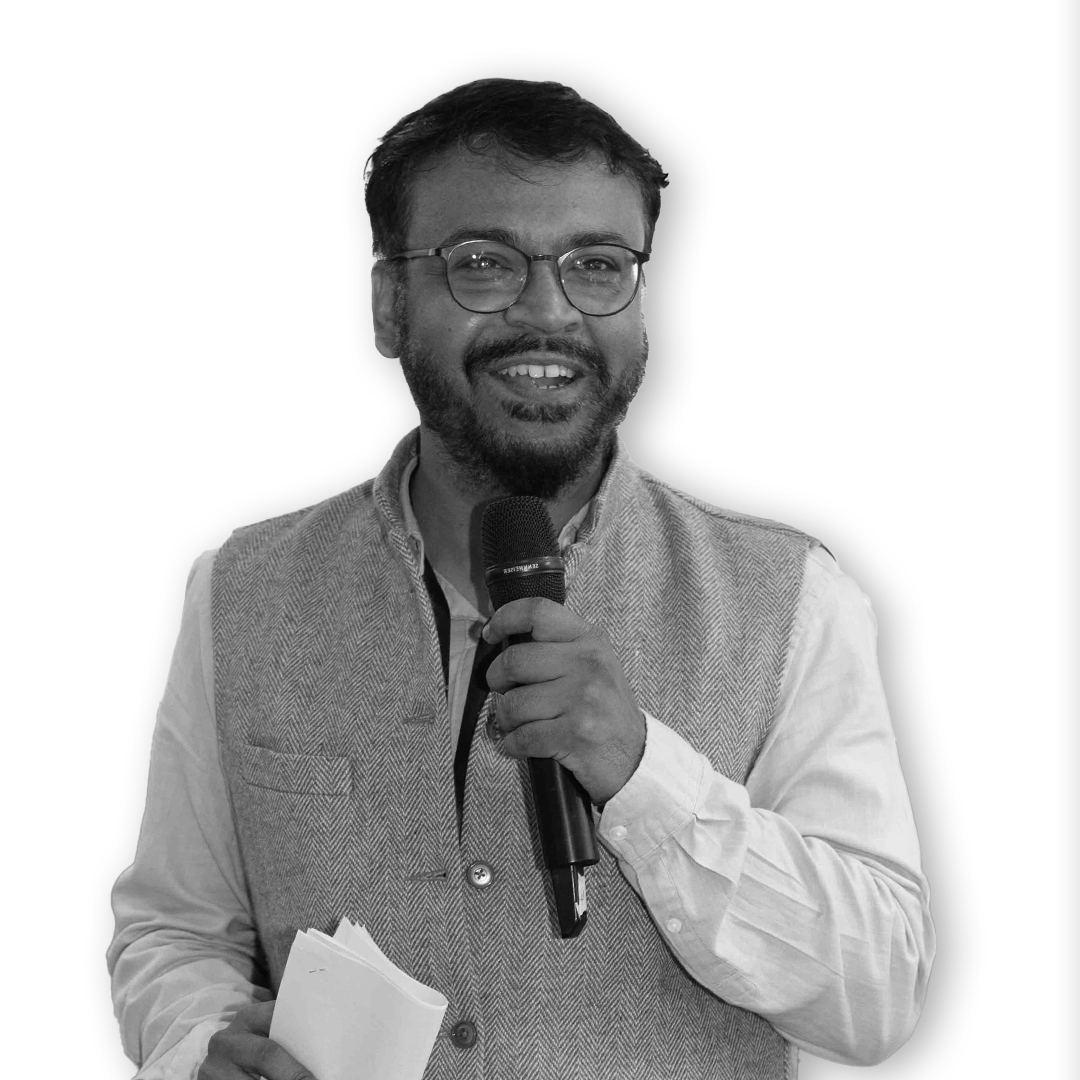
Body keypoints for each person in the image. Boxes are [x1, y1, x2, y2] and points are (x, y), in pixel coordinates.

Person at [108, 78, 935, 1080]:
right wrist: (199, 1046)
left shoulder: (791, 599)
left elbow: (877, 991)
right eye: (483, 264)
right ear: (389, 304)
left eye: (598, 265)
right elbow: (176, 930)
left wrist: (640, 772)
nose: (548, 312)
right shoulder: (243, 594)